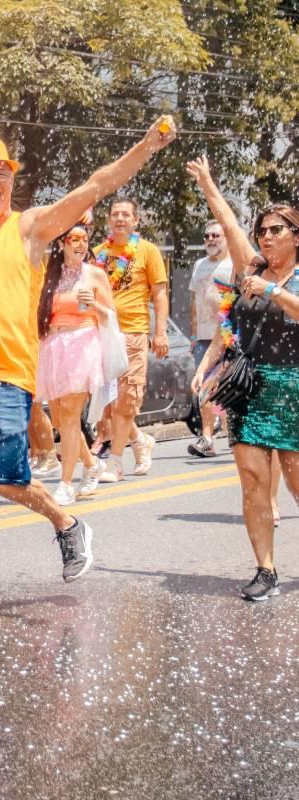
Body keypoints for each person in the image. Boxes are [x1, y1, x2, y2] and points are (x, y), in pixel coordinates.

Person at [0, 118, 176, 615]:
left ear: (12, 180)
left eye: (1, 173)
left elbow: (97, 185)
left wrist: (145, 146)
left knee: (5, 479)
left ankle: (66, 523)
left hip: (8, 374)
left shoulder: (29, 227)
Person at [189, 155, 299, 600]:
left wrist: (274, 291)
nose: (266, 236)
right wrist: (205, 366)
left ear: (296, 235)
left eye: (277, 229)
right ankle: (265, 569)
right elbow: (228, 222)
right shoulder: (249, 269)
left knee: (295, 480)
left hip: (294, 387)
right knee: (253, 480)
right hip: (249, 387)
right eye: (263, 230)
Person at [35, 221, 113, 505]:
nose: (80, 244)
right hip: (54, 347)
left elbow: (110, 315)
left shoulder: (94, 275)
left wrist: (94, 305)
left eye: (84, 239)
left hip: (82, 344)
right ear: (61, 244)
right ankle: (91, 463)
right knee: (58, 418)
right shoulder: (51, 277)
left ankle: (66, 483)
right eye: (74, 240)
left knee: (69, 416)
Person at [93, 196, 169, 482]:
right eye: (115, 214)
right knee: (110, 404)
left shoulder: (147, 251)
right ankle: (139, 439)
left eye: (126, 214)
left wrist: (159, 332)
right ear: (109, 219)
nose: (120, 218)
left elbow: (160, 294)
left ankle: (115, 462)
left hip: (134, 333)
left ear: (136, 220)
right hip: (103, 334)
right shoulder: (98, 253)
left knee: (127, 398)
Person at [187, 219, 232, 458]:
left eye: (216, 235)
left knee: (229, 386)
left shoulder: (234, 264)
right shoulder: (199, 265)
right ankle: (206, 438)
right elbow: (194, 304)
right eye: (207, 236)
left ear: (226, 237)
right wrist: (194, 335)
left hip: (230, 337)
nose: (211, 240)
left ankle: (232, 433)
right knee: (204, 387)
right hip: (205, 338)